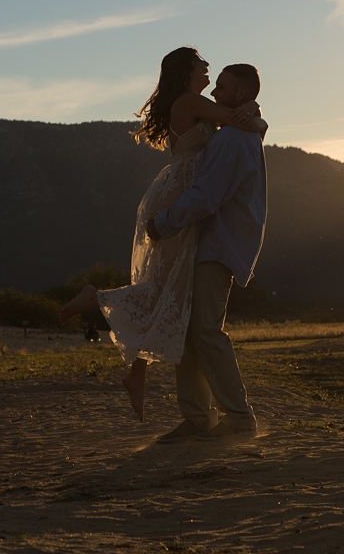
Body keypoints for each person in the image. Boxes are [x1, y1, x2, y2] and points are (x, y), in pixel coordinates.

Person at [58, 47, 267, 420]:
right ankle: (196, 415)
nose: (211, 77)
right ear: (188, 71)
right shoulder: (197, 106)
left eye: (222, 83)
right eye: (205, 68)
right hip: (179, 205)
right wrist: (253, 111)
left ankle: (192, 402)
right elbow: (242, 129)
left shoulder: (225, 131)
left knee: (178, 308)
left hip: (191, 216)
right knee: (175, 306)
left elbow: (217, 178)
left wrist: (253, 109)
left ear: (238, 93)